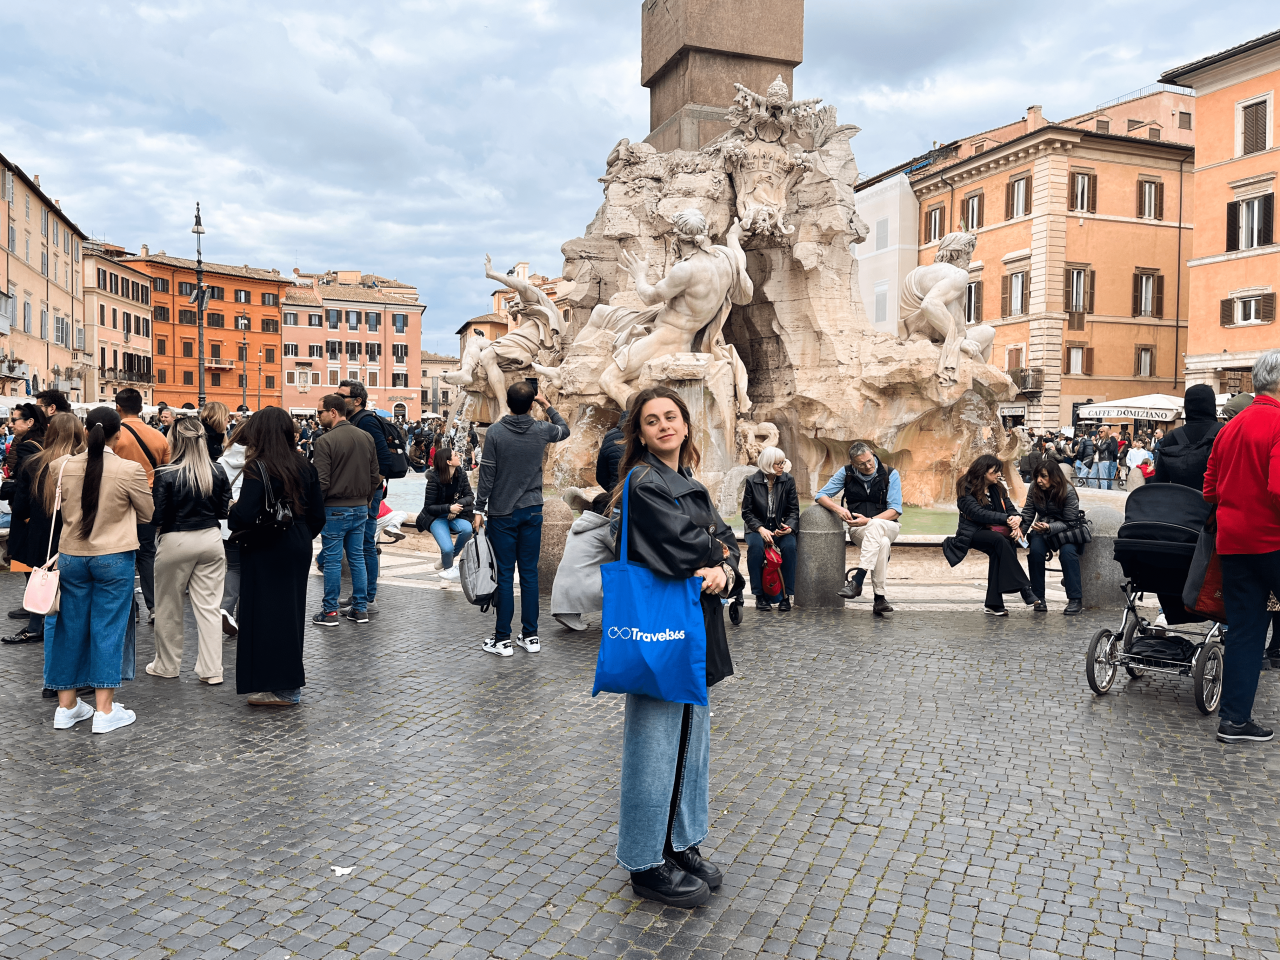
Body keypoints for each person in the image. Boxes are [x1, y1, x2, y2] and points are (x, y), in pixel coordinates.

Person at [608, 385, 738, 908]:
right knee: (655, 744)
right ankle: (646, 860)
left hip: (692, 623)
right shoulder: (643, 481)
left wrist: (725, 565)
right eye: (652, 420)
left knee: (689, 740)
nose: (664, 425)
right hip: (662, 628)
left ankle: (680, 843)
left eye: (671, 417)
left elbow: (722, 538)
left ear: (685, 425)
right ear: (638, 433)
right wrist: (720, 555)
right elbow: (685, 543)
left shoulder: (685, 478)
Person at [44, 407, 154, 733]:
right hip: (114, 556)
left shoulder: (59, 467)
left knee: (68, 628)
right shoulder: (128, 469)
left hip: (71, 556)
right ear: (118, 434)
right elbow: (147, 514)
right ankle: (104, 711)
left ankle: (66, 706)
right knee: (107, 627)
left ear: (85, 429)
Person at [1202, 351, 1280, 743]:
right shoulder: (1278, 422)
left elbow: (1210, 489)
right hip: (1272, 541)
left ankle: (1234, 720)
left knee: (1246, 631)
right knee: (1250, 630)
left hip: (1233, 542)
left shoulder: (1230, 427)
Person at [229, 406, 325, 706]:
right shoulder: (304, 464)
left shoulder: (258, 467)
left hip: (266, 544)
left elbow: (244, 515)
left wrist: (232, 510)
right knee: (289, 612)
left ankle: (281, 687)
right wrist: (299, 536)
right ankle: (284, 684)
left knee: (264, 613)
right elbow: (318, 515)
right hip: (296, 541)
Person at [474, 381, 570, 657]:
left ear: (507, 400)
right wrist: (546, 404)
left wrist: (479, 509)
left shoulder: (495, 433)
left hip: (503, 513)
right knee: (528, 574)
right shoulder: (541, 430)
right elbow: (565, 429)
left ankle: (502, 639)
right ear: (531, 404)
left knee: (504, 575)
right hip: (532, 511)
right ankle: (531, 636)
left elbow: (487, 476)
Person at [146, 416, 231, 685]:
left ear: (175, 440)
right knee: (209, 608)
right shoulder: (216, 471)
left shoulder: (165, 473)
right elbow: (222, 510)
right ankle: (212, 670)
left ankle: (167, 665)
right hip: (210, 538)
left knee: (168, 606)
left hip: (176, 540)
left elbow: (156, 516)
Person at [2, 414, 86, 647]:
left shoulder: (34, 463)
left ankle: (35, 626)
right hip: (78, 532)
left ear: (50, 433)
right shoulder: (89, 462)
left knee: (42, 578)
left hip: (43, 534)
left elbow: (20, 508)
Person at [311, 394, 381, 626]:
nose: (317, 416)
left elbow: (321, 482)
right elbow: (375, 476)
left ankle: (330, 612)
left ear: (333, 412)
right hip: (360, 507)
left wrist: (315, 509)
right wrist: (367, 500)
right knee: (357, 558)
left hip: (334, 509)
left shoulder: (325, 441)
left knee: (332, 561)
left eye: (319, 412)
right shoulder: (366, 437)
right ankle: (360, 609)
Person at [943, 455, 1037, 615]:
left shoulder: (998, 488)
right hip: (973, 532)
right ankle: (1024, 588)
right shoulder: (966, 488)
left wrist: (1016, 518)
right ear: (983, 472)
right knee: (1001, 541)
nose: (999, 475)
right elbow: (978, 514)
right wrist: (1007, 519)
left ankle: (993, 604)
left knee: (999, 549)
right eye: (995, 472)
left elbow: (1010, 508)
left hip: (995, 533)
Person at [818, 442, 903, 616]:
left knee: (877, 525)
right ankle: (879, 599)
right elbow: (821, 495)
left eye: (869, 460)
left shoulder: (890, 473)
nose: (868, 466)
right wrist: (839, 509)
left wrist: (869, 520)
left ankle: (858, 579)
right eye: (861, 464)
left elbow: (895, 510)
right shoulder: (846, 472)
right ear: (853, 463)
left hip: (889, 525)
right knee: (883, 543)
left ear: (872, 453)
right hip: (859, 529)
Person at [113, 387, 170, 623]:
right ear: (142, 408)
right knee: (147, 552)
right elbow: (166, 472)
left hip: (120, 500)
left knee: (123, 552)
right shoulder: (159, 436)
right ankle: (155, 605)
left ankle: (130, 608)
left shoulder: (115, 436)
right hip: (149, 499)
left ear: (118, 408)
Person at [337, 380, 391, 617]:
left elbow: (384, 462)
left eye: (342, 396)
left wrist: (370, 493)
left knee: (366, 543)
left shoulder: (367, 421)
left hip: (369, 494)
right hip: (362, 493)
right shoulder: (356, 421)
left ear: (357, 400)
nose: (338, 400)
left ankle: (369, 598)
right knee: (359, 545)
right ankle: (360, 595)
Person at [1020, 464, 1085, 616]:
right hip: (1042, 528)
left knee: (1068, 554)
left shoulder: (1068, 491)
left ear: (1054, 476)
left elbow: (1071, 521)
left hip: (1066, 530)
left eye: (1043, 476)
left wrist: (1049, 527)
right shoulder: (1034, 488)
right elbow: (1028, 512)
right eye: (1037, 476)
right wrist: (1020, 533)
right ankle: (1039, 598)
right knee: (1035, 552)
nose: (1039, 480)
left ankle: (1075, 599)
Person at [741, 446, 799, 612]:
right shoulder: (752, 481)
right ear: (767, 464)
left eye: (783, 462)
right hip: (757, 527)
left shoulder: (788, 480)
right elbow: (746, 512)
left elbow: (794, 510)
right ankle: (759, 596)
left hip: (780, 527)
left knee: (789, 547)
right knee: (756, 548)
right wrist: (760, 529)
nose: (782, 466)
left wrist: (789, 527)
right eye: (778, 463)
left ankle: (786, 596)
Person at [550, 491, 616, 631]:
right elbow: (621, 553)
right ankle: (612, 618)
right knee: (621, 575)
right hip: (582, 586)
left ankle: (569, 612)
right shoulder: (605, 529)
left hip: (561, 586)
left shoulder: (580, 523)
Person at [415, 447, 474, 582]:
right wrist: (448, 508)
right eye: (455, 455)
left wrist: (457, 505)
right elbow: (429, 507)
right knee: (446, 548)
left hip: (456, 514)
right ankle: (447, 573)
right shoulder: (434, 479)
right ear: (448, 462)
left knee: (467, 529)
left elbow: (470, 496)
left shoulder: (461, 473)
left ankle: (447, 560)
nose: (458, 456)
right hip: (437, 517)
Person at [217, 417, 250, 636]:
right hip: (249, 522)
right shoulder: (259, 461)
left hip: (226, 524)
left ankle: (226, 609)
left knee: (234, 568)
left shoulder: (221, 461)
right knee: (251, 569)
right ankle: (245, 615)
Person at [1153, 385, 1221, 490]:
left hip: (1181, 503)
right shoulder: (1225, 433)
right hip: (1216, 503)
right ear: (1212, 404)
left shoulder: (1171, 437)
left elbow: (1160, 481)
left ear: (1186, 406)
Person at [596, 408, 629, 492]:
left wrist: (613, 490)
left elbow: (601, 477)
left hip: (616, 497)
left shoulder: (609, 436)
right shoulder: (647, 434)